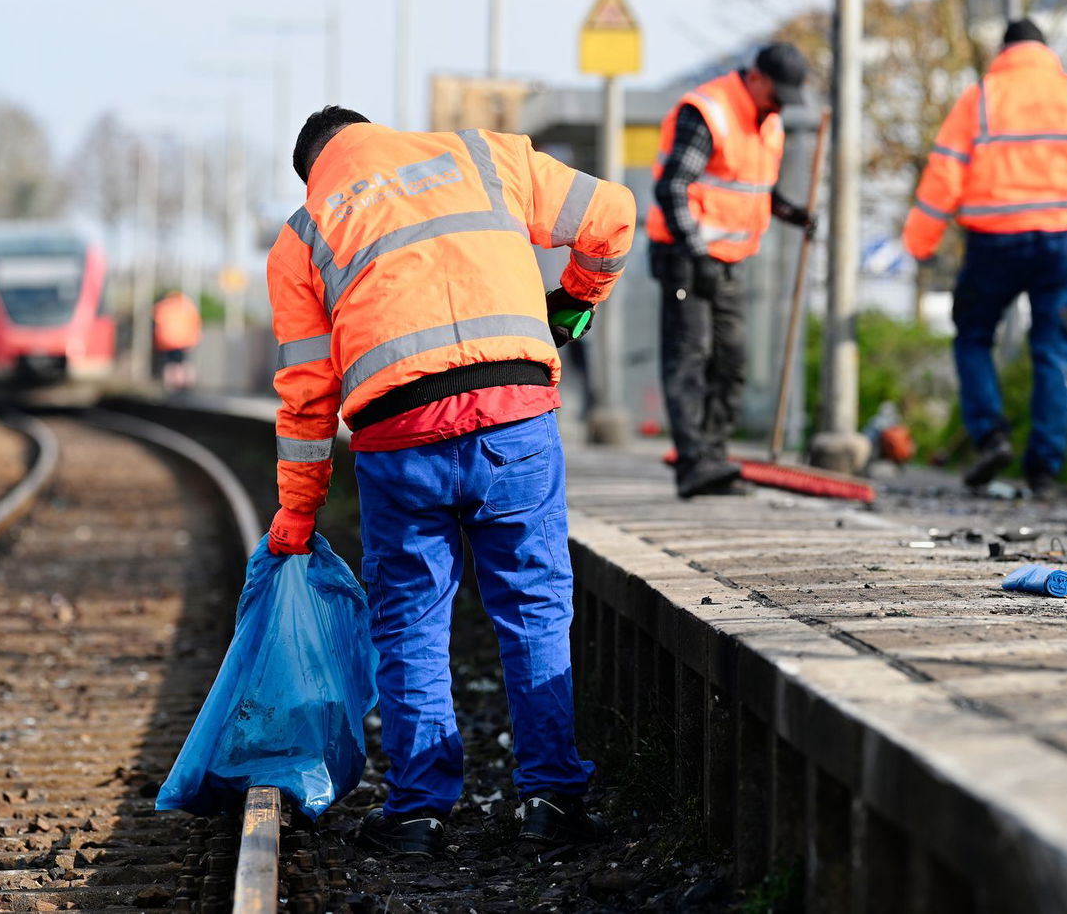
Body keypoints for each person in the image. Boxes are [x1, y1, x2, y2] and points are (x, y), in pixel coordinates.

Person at [264, 106, 634, 856]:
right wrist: (573, 298)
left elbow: (307, 397)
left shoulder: (305, 231)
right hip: (514, 415)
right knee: (534, 603)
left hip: (400, 438)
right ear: (378, 133)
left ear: (315, 170)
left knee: (410, 619)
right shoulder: (486, 156)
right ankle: (550, 802)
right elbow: (614, 216)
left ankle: (417, 812)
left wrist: (296, 519)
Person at [902, 18, 1067, 495]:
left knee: (973, 336)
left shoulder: (981, 98)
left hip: (994, 241)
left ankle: (990, 435)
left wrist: (919, 243)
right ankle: (1044, 470)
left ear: (1004, 50)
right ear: (1045, 50)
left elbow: (944, 176)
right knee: (1054, 348)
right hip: (1064, 241)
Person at [648, 41, 815, 498]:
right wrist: (696, 252)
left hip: (726, 261)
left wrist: (793, 213)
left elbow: (751, 189)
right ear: (756, 77)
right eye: (776, 93)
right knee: (691, 358)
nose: (780, 104)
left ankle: (715, 457)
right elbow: (673, 187)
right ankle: (693, 463)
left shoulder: (771, 122)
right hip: (685, 256)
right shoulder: (709, 111)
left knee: (732, 359)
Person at [151, 289, 201, 391]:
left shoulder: (163, 307)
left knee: (170, 363)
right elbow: (196, 323)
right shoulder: (188, 306)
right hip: (185, 341)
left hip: (167, 341)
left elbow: (157, 321)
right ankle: (185, 384)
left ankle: (171, 384)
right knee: (183, 362)